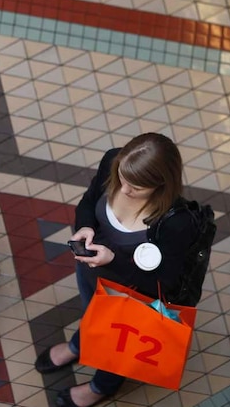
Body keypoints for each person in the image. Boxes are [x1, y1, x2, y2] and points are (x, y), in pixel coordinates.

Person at [34, 133, 200, 407]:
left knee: (119, 345)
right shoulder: (114, 160)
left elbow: (163, 280)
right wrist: (86, 226)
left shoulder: (176, 222)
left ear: (161, 184)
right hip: (91, 272)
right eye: (122, 179)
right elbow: (88, 202)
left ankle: (102, 386)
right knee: (90, 312)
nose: (124, 190)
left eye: (136, 187)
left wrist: (114, 260)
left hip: (130, 295)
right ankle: (79, 345)